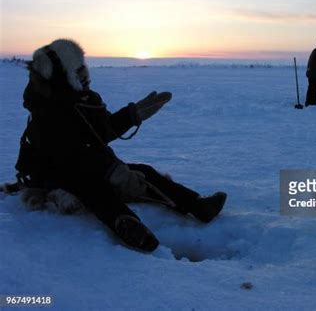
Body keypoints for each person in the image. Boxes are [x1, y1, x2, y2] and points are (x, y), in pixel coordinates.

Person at [14, 39, 227, 253]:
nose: (84, 74)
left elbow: (101, 132)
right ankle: (129, 227)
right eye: (77, 71)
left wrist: (133, 114)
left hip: (86, 164)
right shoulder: (48, 112)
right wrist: (111, 171)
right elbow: (67, 157)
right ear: (63, 76)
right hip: (51, 175)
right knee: (94, 189)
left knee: (145, 171)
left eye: (83, 68)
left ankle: (197, 205)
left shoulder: (83, 99)